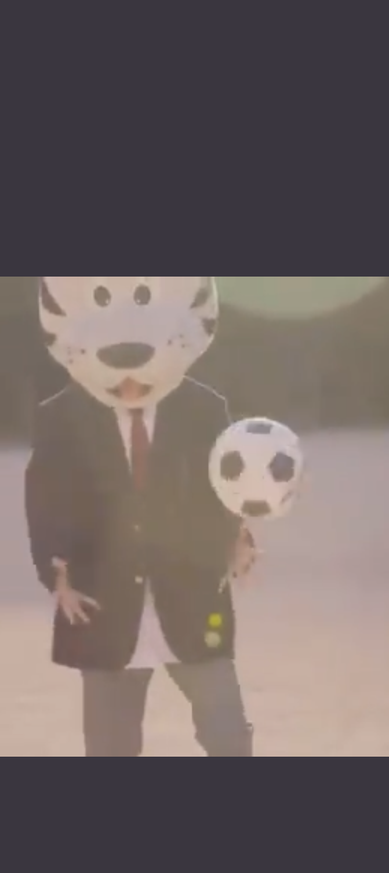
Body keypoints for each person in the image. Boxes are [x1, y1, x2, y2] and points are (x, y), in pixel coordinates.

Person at [25, 277, 256, 757]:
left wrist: (239, 538)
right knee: (110, 747)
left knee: (229, 734)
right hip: (102, 602)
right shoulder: (61, 417)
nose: (131, 380)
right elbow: (45, 499)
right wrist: (57, 576)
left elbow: (225, 487)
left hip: (192, 597)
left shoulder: (204, 409)